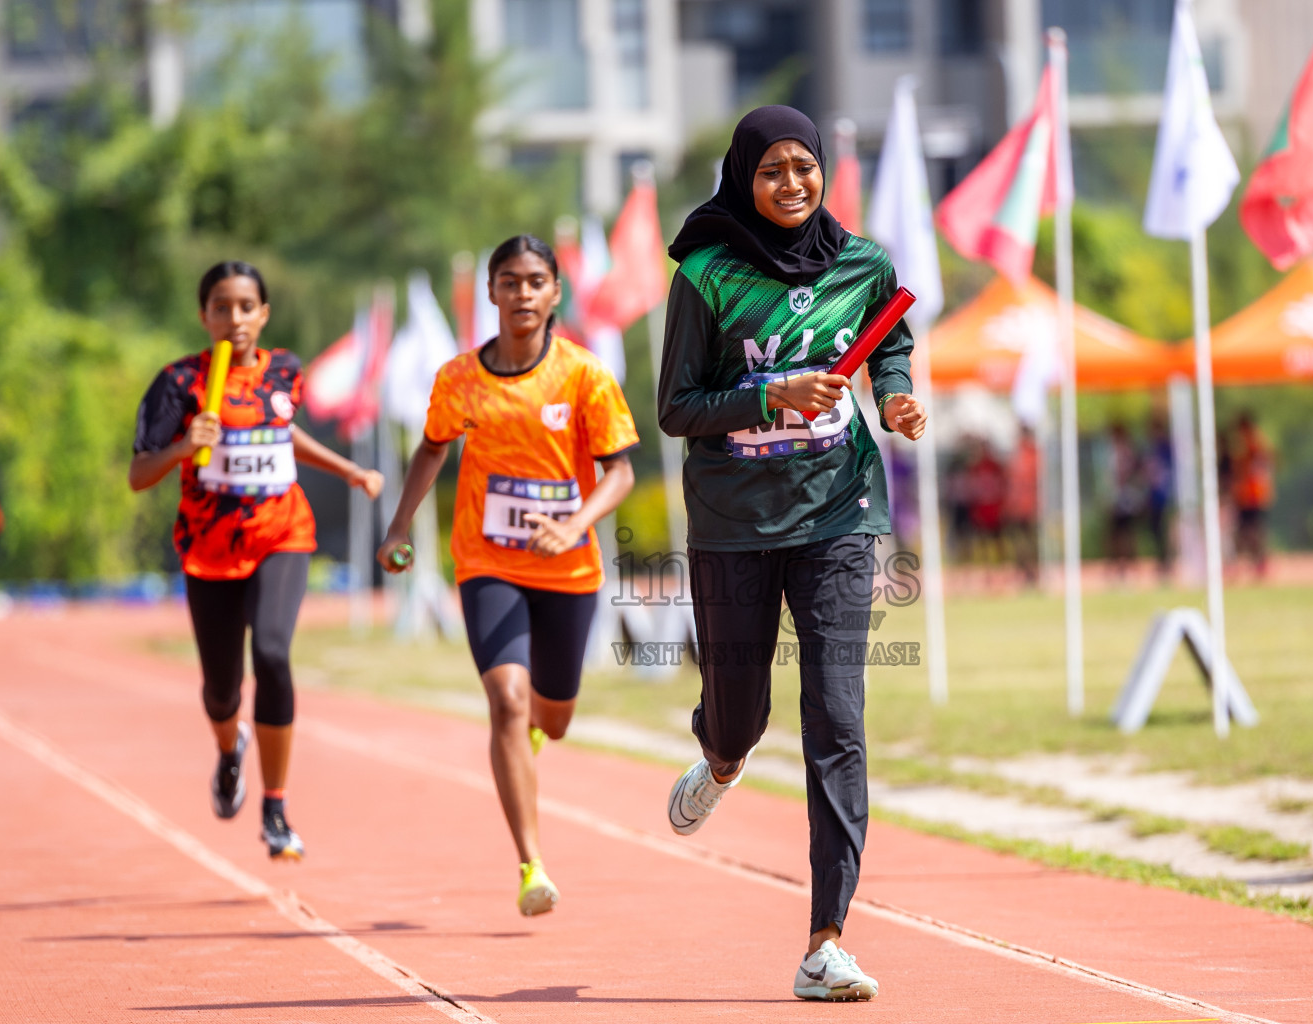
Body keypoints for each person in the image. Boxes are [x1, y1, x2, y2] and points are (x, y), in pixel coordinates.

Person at [658, 105, 927, 1003]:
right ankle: (722, 758)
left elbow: (891, 342)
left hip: (838, 515)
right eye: (772, 170)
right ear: (744, 176)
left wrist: (894, 400)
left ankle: (826, 940)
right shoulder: (705, 276)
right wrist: (772, 395)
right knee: (744, 717)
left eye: (804, 167)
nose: (792, 184)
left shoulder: (865, 264)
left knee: (838, 718)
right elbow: (678, 406)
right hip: (734, 523)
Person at [378, 235, 637, 918]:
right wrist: (401, 526)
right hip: (488, 561)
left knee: (554, 715)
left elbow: (621, 473)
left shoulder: (584, 376)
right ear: (490, 293)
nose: (522, 294)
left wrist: (576, 522)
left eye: (535, 282)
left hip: (568, 566)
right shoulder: (459, 379)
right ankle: (532, 865)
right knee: (507, 699)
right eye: (509, 282)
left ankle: (527, 738)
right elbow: (432, 448)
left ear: (556, 293)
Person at [129, 261, 384, 860]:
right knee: (221, 690)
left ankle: (276, 806)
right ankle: (228, 748)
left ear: (263, 314)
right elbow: (140, 474)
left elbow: (283, 433)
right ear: (205, 316)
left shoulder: (285, 371)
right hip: (209, 550)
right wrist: (183, 447)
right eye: (222, 307)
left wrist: (348, 470)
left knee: (271, 652)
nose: (235, 318)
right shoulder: (179, 383)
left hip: (281, 534)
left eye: (246, 307)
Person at [1230, 410, 1275, 579]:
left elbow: (1266, 465)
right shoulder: (1247, 447)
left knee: (1254, 531)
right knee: (1246, 531)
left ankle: (1259, 563)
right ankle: (1254, 562)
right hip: (1247, 496)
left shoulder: (1256, 445)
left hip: (1255, 496)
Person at [1104, 420, 1143, 579]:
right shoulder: (1113, 453)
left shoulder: (1126, 453)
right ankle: (1118, 564)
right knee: (1116, 533)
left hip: (1125, 499)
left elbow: (1128, 474)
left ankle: (1129, 564)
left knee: (1126, 533)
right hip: (1117, 498)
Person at [1005, 426, 1041, 586]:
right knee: (1020, 541)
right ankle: (1025, 571)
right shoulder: (1018, 454)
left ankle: (1032, 571)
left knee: (1030, 540)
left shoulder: (1032, 454)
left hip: (1030, 505)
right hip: (1019, 505)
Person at [1143, 412, 1176, 582]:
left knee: (1165, 530)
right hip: (1154, 496)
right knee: (1156, 531)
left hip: (1165, 496)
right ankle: (1162, 560)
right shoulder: (1152, 448)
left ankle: (1168, 562)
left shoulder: (1166, 448)